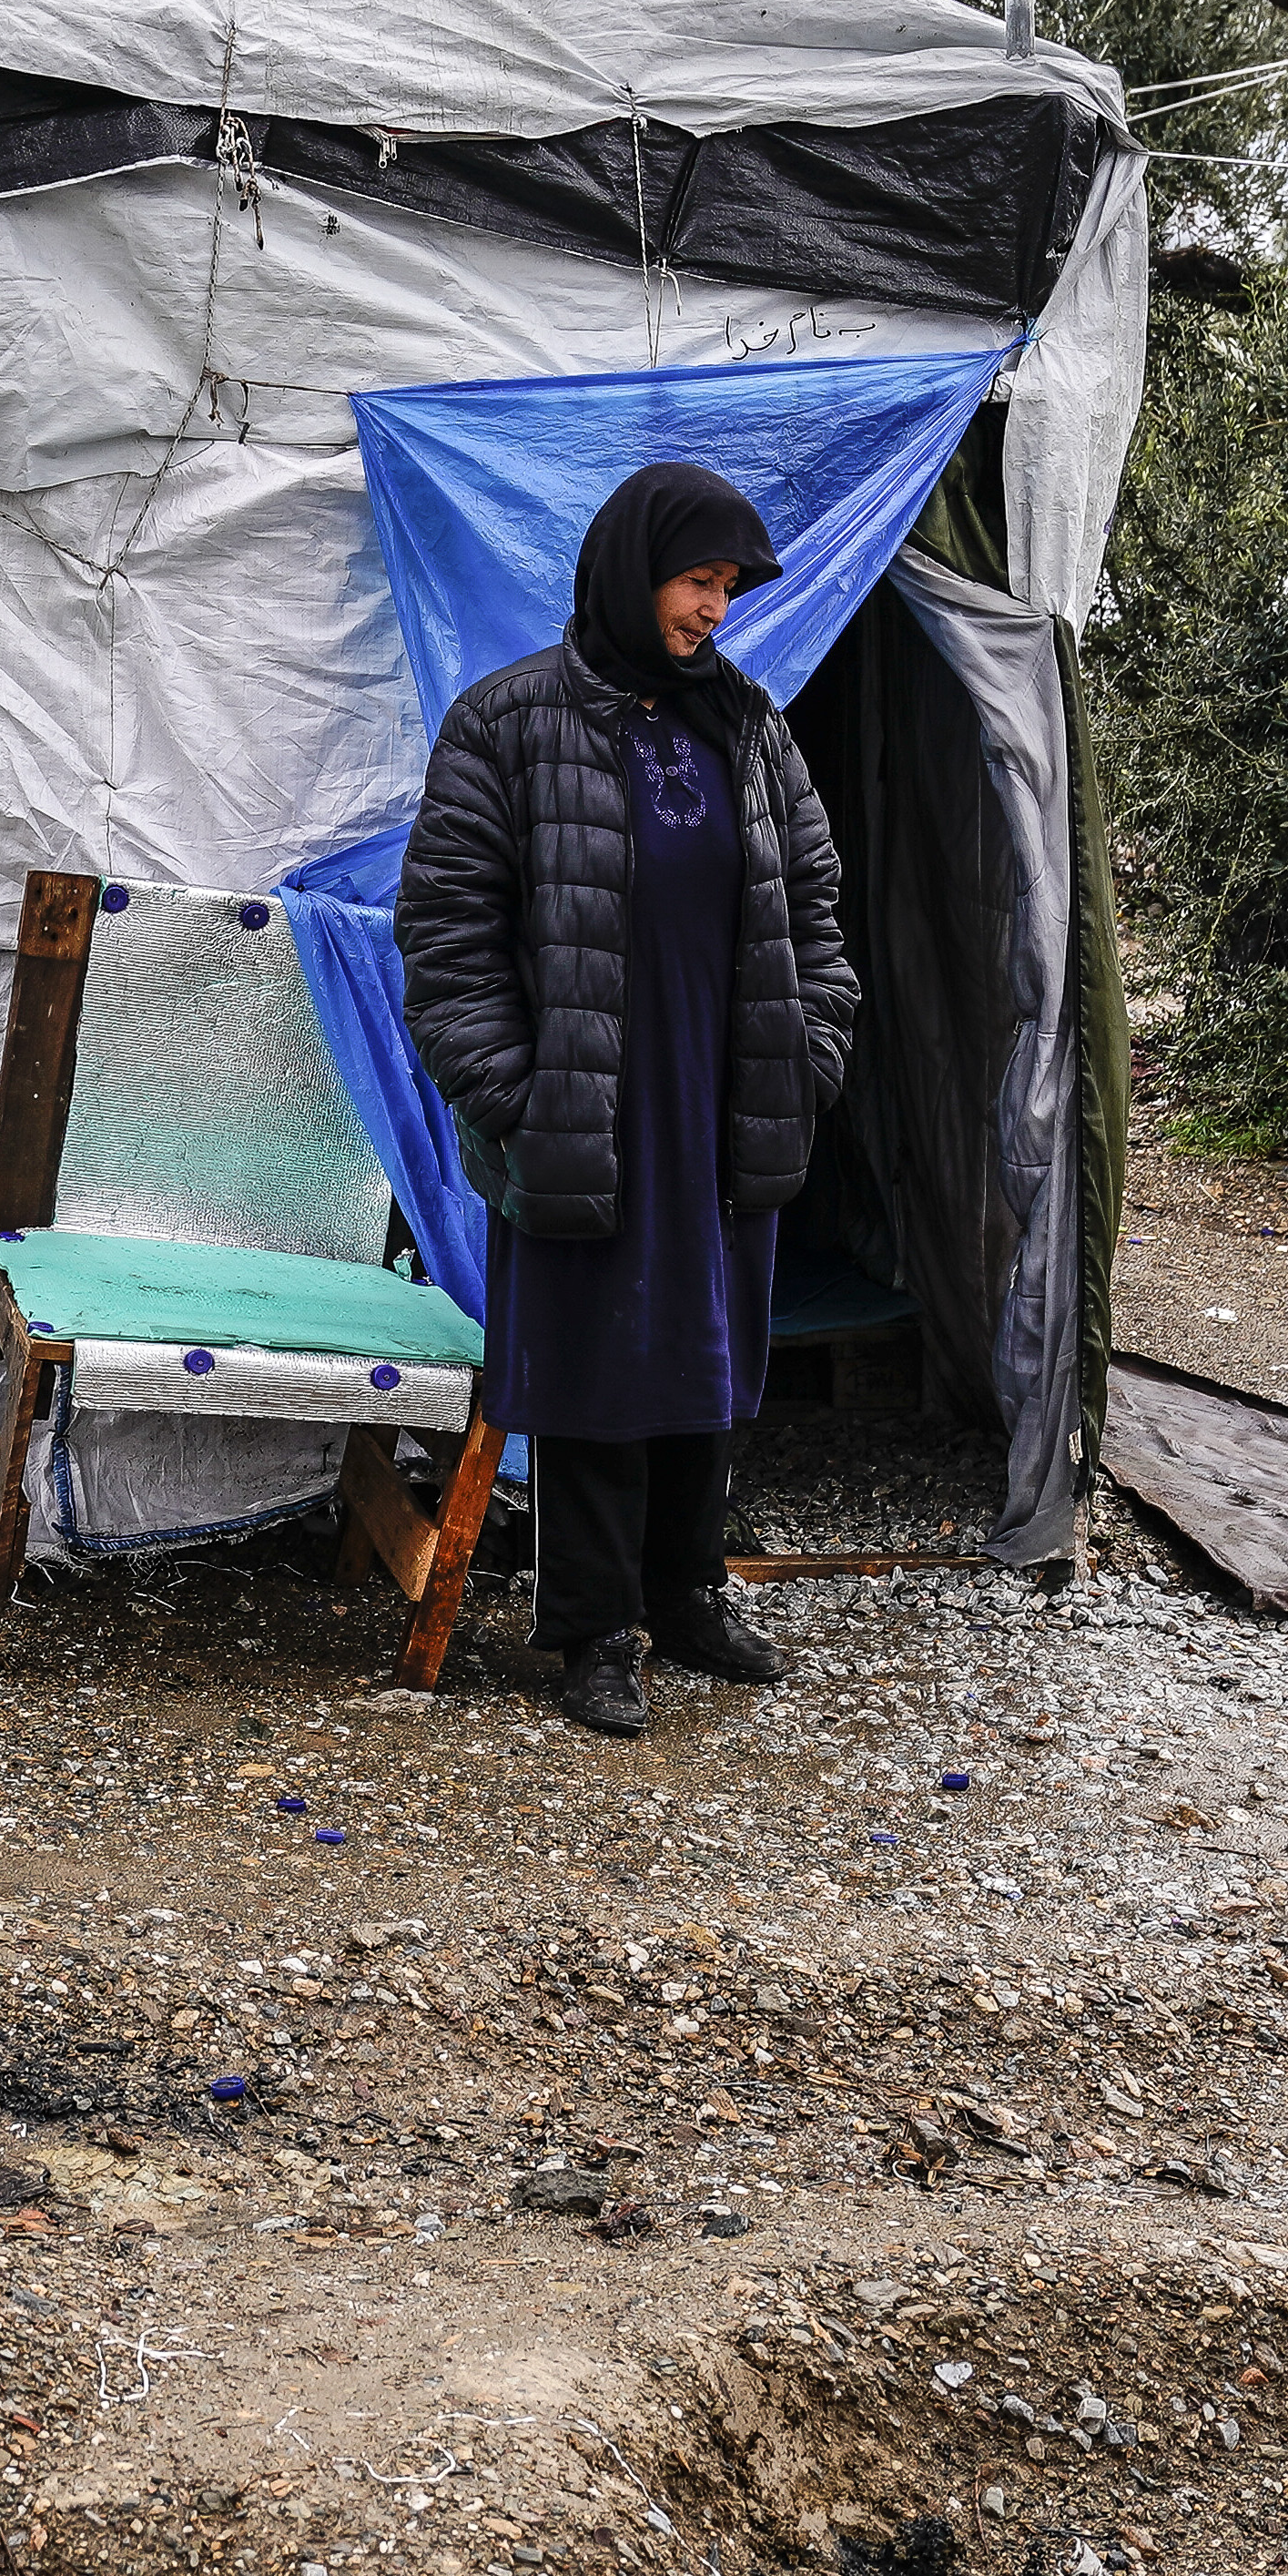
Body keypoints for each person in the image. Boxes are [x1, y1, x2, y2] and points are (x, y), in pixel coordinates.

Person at [393, 460, 857, 1739]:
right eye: (697, 580)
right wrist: (515, 1091)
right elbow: (444, 931)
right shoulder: (507, 722)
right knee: (599, 1355)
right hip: (585, 1097)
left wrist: (810, 1052)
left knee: (703, 1348)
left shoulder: (750, 726)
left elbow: (813, 904)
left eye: (725, 588)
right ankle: (593, 1625)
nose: (714, 608)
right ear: (628, 568)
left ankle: (686, 1588)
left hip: (724, 1087)